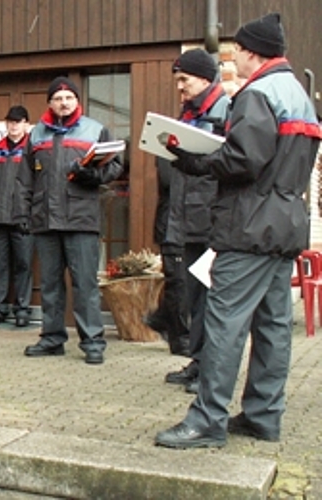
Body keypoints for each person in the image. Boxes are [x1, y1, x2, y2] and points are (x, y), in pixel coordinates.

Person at [155, 13, 321, 449]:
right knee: (273, 325)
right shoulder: (298, 95)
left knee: (224, 322)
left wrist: (193, 160)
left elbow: (242, 162)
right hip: (285, 225)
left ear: (250, 52)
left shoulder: (257, 94)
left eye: (235, 54)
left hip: (247, 226)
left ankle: (206, 421)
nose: (232, 61)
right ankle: (264, 416)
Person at [22, 77, 123, 365]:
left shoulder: (95, 129)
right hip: (46, 220)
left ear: (77, 101)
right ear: (49, 103)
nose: (63, 103)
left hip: (81, 219)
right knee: (51, 284)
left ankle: (93, 342)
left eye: (68, 98)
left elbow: (115, 166)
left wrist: (92, 174)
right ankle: (52, 338)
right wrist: (28, 213)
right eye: (57, 98)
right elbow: (26, 177)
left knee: (85, 284)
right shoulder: (36, 134)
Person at [148, 49, 229, 393]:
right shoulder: (190, 113)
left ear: (206, 78)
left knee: (214, 298)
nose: (179, 87)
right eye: (177, 80)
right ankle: (198, 362)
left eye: (185, 80)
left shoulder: (226, 111)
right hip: (188, 218)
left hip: (213, 219)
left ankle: (213, 370)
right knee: (195, 297)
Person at [0, 105, 34, 327]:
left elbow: (41, 186)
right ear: (6, 124)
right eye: (11, 122)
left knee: (24, 266)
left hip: (24, 219)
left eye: (18, 122)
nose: (14, 126)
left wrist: (33, 215)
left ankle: (22, 310)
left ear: (26, 125)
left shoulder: (33, 150)